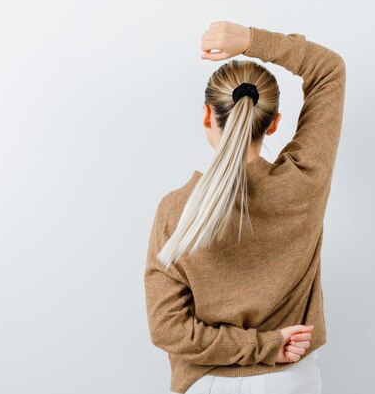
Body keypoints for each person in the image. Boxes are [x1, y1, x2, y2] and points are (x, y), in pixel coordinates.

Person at [144, 22, 346, 394]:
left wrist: (261, 346)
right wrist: (250, 40)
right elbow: (328, 69)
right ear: (274, 125)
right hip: (293, 381)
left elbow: (168, 329)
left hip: (207, 384)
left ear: (208, 116)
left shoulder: (176, 209)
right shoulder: (303, 183)